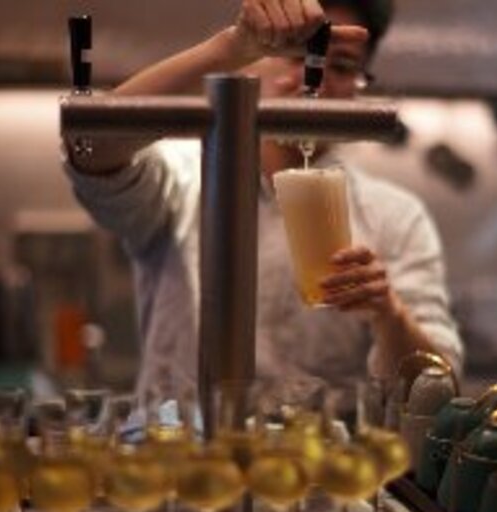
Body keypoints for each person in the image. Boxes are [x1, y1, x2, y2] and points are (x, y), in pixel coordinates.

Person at [63, 0, 463, 400]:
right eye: (293, 54)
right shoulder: (180, 178)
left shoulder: (395, 216)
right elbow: (91, 145)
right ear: (253, 63)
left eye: (339, 66)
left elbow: (437, 389)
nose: (314, 79)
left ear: (360, 84)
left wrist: (388, 313)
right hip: (181, 452)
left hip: (318, 457)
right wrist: (232, 46)